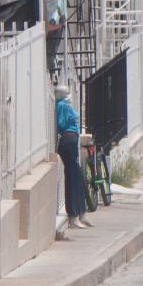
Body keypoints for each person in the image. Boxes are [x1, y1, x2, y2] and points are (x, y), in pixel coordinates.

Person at [54, 84, 91, 229]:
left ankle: (81, 213)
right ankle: (73, 216)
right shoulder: (62, 105)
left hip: (72, 140)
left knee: (78, 178)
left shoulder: (65, 104)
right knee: (72, 177)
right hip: (68, 141)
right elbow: (61, 124)